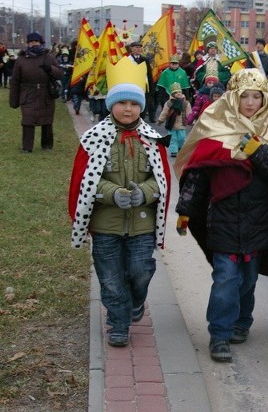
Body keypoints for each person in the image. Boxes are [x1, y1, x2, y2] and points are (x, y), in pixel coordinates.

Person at [173, 68, 268, 363]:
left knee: (248, 280)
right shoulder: (215, 128)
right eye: (244, 97)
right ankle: (219, 334)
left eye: (257, 96)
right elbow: (198, 176)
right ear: (232, 99)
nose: (250, 103)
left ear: (265, 99)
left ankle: (242, 321)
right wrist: (185, 210)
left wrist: (258, 152)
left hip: (259, 221)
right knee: (226, 277)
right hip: (224, 220)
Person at [68, 57, 171, 347]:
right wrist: (112, 193)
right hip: (106, 224)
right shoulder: (94, 138)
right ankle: (119, 323)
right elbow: (86, 179)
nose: (128, 109)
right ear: (111, 105)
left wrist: (146, 193)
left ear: (141, 107)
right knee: (110, 277)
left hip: (141, 224)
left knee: (141, 271)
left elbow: (161, 178)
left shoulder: (152, 140)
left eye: (134, 104)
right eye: (122, 103)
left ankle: (135, 302)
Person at [9, 32, 63, 153]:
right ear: (28, 44)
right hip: (28, 94)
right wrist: (14, 100)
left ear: (41, 43)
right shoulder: (21, 60)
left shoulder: (48, 57)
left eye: (36, 42)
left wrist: (50, 69)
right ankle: (27, 147)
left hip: (46, 94)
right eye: (31, 42)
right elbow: (15, 81)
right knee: (27, 121)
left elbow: (60, 74)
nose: (33, 44)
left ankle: (47, 145)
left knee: (47, 120)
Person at [157, 82, 193, 157]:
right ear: (173, 94)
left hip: (181, 124)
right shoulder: (169, 103)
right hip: (171, 124)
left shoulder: (185, 103)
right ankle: (173, 150)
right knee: (173, 138)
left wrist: (190, 120)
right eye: (176, 92)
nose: (178, 94)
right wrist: (161, 120)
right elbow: (165, 112)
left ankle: (180, 147)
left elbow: (189, 113)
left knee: (182, 138)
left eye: (179, 92)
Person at [128, 40, 155, 122]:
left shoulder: (145, 60)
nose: (138, 49)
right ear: (131, 49)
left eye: (140, 47)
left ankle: (140, 121)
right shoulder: (128, 60)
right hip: (132, 86)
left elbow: (149, 75)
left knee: (143, 106)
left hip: (143, 87)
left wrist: (151, 89)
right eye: (136, 47)